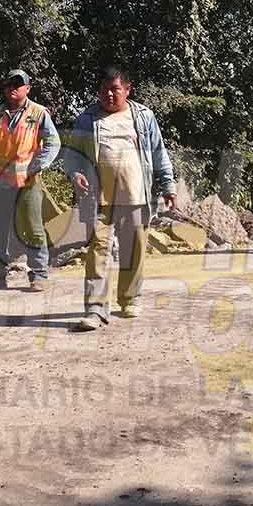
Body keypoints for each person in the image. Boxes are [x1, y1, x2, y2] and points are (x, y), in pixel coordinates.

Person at [64, 65, 176, 331]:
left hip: (136, 196)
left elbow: (159, 153)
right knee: (97, 250)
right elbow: (73, 154)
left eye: (115, 90)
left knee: (133, 250)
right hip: (98, 198)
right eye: (104, 91)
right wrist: (75, 173)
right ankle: (95, 309)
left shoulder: (144, 116)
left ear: (127, 89)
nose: (109, 95)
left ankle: (129, 299)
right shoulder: (87, 119)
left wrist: (168, 185)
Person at [0, 69, 62, 292]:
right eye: (9, 84)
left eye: (18, 84)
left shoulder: (39, 113)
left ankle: (39, 275)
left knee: (33, 228)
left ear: (27, 89)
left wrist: (35, 167)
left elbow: (53, 143)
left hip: (28, 182)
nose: (13, 88)